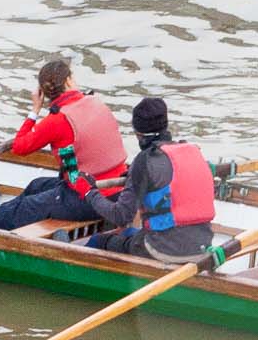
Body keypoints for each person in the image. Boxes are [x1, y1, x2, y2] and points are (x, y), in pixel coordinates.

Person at [0, 58, 130, 232]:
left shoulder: (56, 121)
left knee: (27, 206)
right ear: (68, 81)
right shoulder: (95, 102)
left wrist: (35, 110)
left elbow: (20, 147)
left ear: (44, 92)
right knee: (37, 185)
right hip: (119, 190)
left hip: (90, 197)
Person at [81, 97, 217, 262]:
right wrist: (133, 175)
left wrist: (90, 192)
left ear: (138, 134)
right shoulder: (192, 152)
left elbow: (121, 216)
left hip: (164, 251)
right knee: (129, 234)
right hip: (202, 247)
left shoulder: (144, 161)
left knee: (99, 240)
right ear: (165, 125)